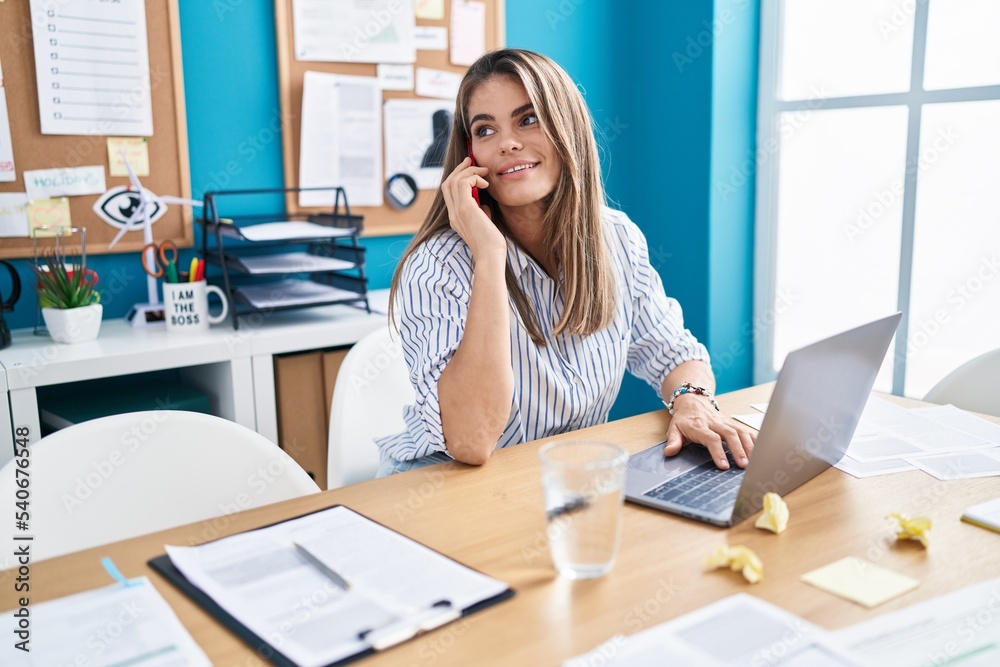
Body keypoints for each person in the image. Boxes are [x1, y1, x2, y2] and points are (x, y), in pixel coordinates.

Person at [376, 48, 755, 476]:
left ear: (566, 127)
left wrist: (692, 401)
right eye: (485, 130)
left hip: (560, 480)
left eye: (528, 118)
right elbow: (471, 439)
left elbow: (673, 353)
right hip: (445, 487)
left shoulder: (617, 238)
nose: (507, 143)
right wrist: (489, 256)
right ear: (469, 156)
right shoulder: (436, 268)